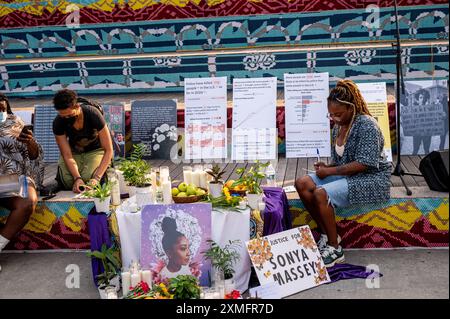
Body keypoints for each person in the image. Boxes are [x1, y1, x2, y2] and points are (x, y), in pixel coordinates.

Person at [295, 80, 391, 267]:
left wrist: (329, 171)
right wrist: (327, 166)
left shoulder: (366, 125)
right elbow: (342, 162)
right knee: (302, 183)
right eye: (331, 115)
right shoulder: (339, 127)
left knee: (321, 193)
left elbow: (365, 163)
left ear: (351, 108)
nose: (334, 119)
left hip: (371, 178)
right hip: (350, 175)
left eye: (338, 114)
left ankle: (335, 248)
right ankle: (326, 234)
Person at [0, 93, 44, 271]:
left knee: (27, 201)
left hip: (15, 176)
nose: (0, 109)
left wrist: (30, 142)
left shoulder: (15, 123)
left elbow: (34, 155)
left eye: (2, 107)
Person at [52, 89, 113, 193]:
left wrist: (96, 178)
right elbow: (67, 154)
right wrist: (77, 178)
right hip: (74, 152)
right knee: (68, 181)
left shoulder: (92, 113)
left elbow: (108, 149)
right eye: (63, 116)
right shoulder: (58, 122)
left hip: (96, 150)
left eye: (70, 115)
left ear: (77, 106)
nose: (66, 118)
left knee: (88, 179)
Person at [412, 90, 432, 155]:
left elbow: (435, 119)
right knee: (415, 150)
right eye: (421, 97)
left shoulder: (431, 109)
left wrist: (442, 115)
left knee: (427, 150)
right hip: (417, 133)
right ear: (418, 99)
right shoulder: (413, 109)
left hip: (427, 133)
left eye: (424, 97)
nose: (423, 99)